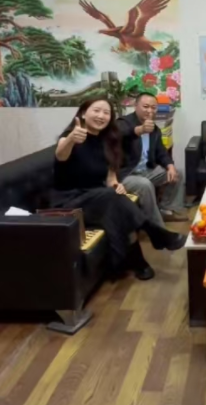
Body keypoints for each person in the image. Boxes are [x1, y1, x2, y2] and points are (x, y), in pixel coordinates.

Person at [52, 97, 186, 282]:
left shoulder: (107, 141)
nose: (101, 116)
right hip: (70, 200)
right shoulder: (71, 136)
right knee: (113, 198)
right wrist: (71, 140)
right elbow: (60, 155)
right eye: (96, 111)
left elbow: (110, 177)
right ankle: (153, 234)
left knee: (117, 202)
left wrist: (117, 185)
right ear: (83, 113)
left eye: (106, 113)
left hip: (98, 196)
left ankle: (141, 257)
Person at [118, 93, 188, 225]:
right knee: (145, 185)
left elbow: (161, 153)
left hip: (147, 170)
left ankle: (167, 210)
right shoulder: (123, 122)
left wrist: (170, 166)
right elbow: (118, 133)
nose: (150, 110)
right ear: (135, 106)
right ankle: (156, 225)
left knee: (178, 173)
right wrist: (139, 130)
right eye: (145, 106)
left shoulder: (155, 129)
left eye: (153, 107)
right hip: (126, 174)